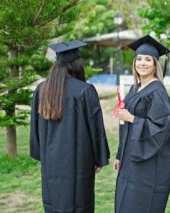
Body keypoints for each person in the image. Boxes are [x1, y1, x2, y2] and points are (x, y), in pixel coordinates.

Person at [29, 40, 110, 213]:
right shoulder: (85, 91)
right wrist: (99, 158)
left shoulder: (42, 90)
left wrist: (40, 153)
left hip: (51, 162)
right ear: (77, 64)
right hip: (80, 162)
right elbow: (96, 128)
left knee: (54, 203)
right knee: (79, 203)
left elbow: (34, 128)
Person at [113, 35, 170, 213]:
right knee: (126, 201)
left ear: (155, 64)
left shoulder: (157, 92)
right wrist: (120, 155)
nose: (142, 63)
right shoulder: (136, 88)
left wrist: (132, 118)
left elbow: (162, 129)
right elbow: (125, 127)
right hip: (131, 158)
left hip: (148, 163)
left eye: (148, 59)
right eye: (139, 59)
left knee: (139, 204)